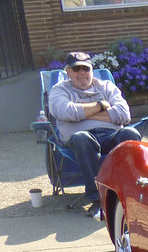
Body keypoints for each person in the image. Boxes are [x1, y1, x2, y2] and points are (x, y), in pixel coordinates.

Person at [47, 51, 141, 220]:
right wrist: (100, 106)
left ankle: (132, 193)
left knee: (130, 133)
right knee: (82, 138)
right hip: (79, 139)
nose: (82, 72)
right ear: (68, 72)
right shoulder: (59, 90)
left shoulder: (105, 86)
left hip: (110, 135)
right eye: (76, 69)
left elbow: (124, 114)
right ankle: (98, 199)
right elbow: (64, 111)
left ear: (92, 70)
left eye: (86, 68)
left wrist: (82, 112)